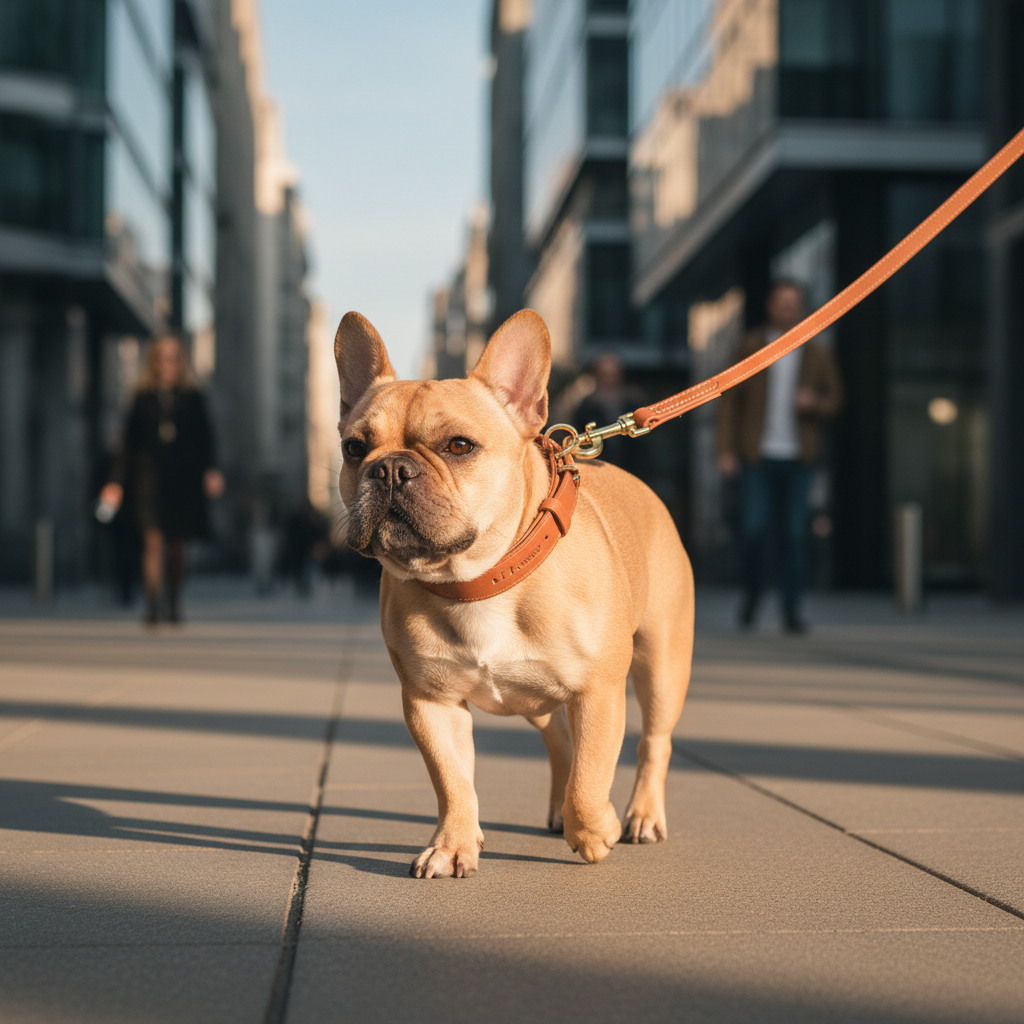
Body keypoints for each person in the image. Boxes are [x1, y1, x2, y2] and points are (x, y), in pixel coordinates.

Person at [716, 280, 843, 633]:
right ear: (770, 305)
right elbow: (729, 401)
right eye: (782, 301)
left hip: (799, 458)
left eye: (794, 302)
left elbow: (836, 399)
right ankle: (753, 593)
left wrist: (814, 402)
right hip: (756, 455)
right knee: (754, 530)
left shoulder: (817, 351)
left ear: (801, 307)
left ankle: (791, 610)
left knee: (795, 535)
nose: (788, 307)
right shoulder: (750, 346)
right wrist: (725, 450)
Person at [99, 334, 224, 624]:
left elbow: (206, 438)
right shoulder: (141, 398)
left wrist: (212, 471)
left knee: (177, 546)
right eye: (161, 358)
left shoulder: (194, 397)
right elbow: (128, 444)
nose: (167, 364)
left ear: (181, 362)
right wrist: (115, 482)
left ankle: (174, 602)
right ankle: (153, 605)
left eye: (173, 358)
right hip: (149, 480)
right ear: (153, 362)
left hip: (183, 480)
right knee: (152, 541)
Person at [573, 353, 646, 473]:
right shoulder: (587, 406)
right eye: (605, 374)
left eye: (613, 374)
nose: (609, 379)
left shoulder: (631, 402)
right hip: (598, 466)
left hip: (631, 466)